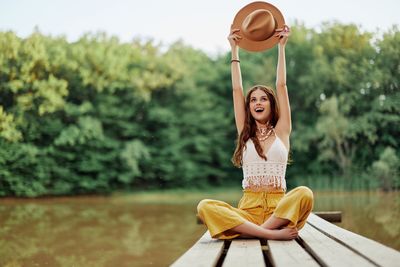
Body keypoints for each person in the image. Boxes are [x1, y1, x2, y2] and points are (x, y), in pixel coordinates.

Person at [196, 24, 314, 240]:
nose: (257, 103)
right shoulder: (245, 132)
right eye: (253, 100)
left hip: (279, 212)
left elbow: (282, 85)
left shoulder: (282, 131)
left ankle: (257, 232)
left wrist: (281, 47)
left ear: (271, 104)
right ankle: (269, 234)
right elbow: (237, 89)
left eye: (263, 99)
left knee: (304, 193)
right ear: (249, 106)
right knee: (205, 206)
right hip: (248, 211)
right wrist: (234, 50)